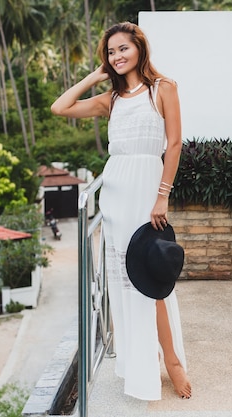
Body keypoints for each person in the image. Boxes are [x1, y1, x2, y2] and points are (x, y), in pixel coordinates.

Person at [51, 21, 191, 401]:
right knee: (127, 282)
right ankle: (138, 362)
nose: (117, 56)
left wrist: (162, 195)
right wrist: (94, 77)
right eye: (111, 52)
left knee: (152, 279)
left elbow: (174, 144)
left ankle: (172, 362)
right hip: (115, 191)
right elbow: (59, 107)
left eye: (123, 49)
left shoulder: (164, 89)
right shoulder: (110, 99)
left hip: (147, 189)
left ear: (139, 49)